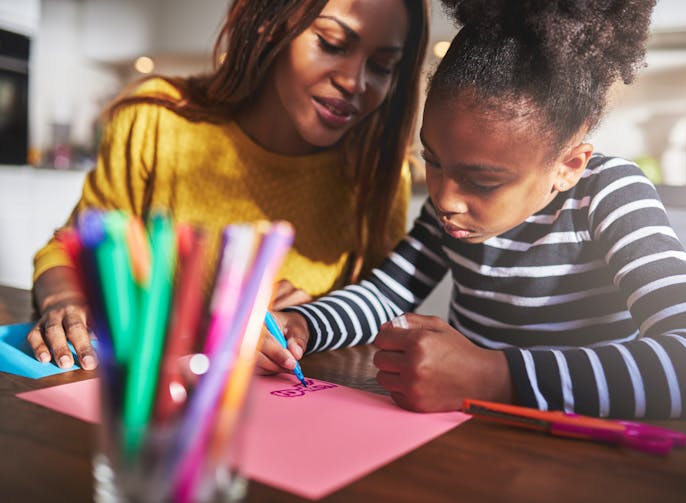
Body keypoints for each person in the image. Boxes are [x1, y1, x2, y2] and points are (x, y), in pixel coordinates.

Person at [260, 0, 686, 419]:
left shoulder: (609, 195)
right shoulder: (452, 208)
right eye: (433, 160)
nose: (445, 198)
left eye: (482, 180)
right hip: (473, 437)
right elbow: (386, 297)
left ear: (568, 165)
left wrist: (491, 375)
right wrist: (302, 325)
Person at [27, 0, 429, 371]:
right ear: (268, 26)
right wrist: (66, 298)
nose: (354, 82)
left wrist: (318, 318)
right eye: (332, 43)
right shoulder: (158, 122)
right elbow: (68, 248)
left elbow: (380, 312)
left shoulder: (379, 173)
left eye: (382, 66)